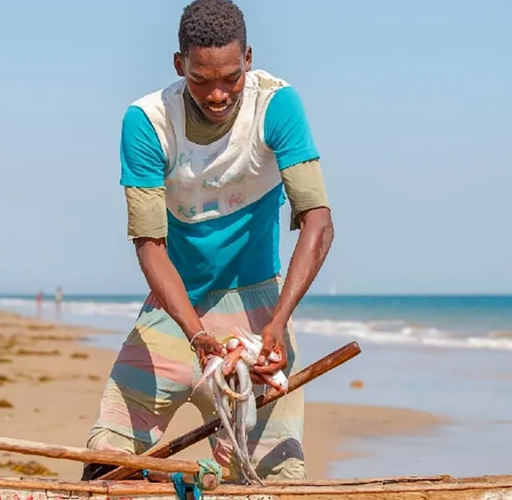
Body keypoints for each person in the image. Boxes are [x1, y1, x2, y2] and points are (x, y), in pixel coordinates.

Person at [81, 0, 334, 482]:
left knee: (274, 483)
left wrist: (277, 324)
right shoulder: (149, 121)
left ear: (248, 59)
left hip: (259, 313)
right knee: (105, 464)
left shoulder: (276, 105)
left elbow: (318, 221)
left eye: (230, 78)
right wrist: (196, 335)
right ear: (180, 65)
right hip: (176, 312)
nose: (217, 94)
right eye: (200, 80)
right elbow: (149, 244)